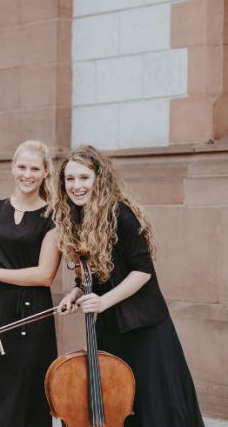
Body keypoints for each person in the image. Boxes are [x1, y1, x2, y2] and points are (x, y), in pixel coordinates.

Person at [55, 146, 204, 427]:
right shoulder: (76, 217)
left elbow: (142, 271)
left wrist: (102, 302)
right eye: (70, 179)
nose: (76, 186)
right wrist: (77, 292)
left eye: (84, 178)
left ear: (99, 178)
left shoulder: (120, 214)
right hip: (111, 327)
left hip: (144, 327)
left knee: (152, 409)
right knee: (120, 407)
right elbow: (94, 273)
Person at [0, 140, 61, 427]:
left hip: (31, 315)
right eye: (21, 167)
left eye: (34, 169)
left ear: (45, 173)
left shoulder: (53, 217)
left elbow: (45, 275)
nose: (27, 174)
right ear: (12, 168)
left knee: (23, 393)